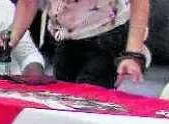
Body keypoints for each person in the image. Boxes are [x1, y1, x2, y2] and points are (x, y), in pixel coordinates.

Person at [9, 0, 150, 88]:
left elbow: (140, 2)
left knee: (87, 103)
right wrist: (9, 44)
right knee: (62, 102)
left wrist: (133, 53)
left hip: (107, 33)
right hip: (65, 37)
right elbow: (28, 3)